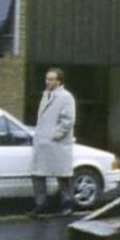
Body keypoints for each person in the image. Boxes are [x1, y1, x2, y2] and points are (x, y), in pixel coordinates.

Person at [29, 67, 76, 218]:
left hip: (58, 144)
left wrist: (54, 136)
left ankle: (67, 204)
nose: (47, 81)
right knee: (38, 175)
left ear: (59, 81)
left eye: (51, 79)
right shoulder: (46, 95)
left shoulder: (66, 97)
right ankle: (40, 204)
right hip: (43, 143)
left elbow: (67, 121)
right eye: (46, 79)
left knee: (62, 176)